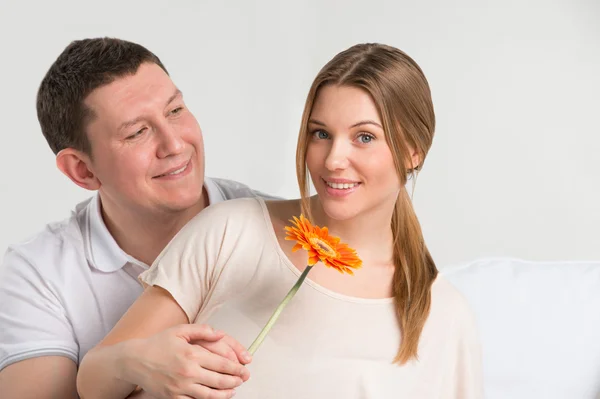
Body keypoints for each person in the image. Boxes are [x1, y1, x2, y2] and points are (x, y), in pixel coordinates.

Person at [77, 43, 484, 399]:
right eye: (320, 134)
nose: (333, 160)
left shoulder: (443, 315)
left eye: (364, 137)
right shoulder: (230, 232)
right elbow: (92, 382)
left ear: (413, 151)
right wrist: (139, 362)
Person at [0, 37, 280, 399]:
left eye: (175, 111)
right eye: (137, 132)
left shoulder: (285, 228)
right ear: (83, 171)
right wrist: (130, 365)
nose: (175, 145)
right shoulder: (37, 276)